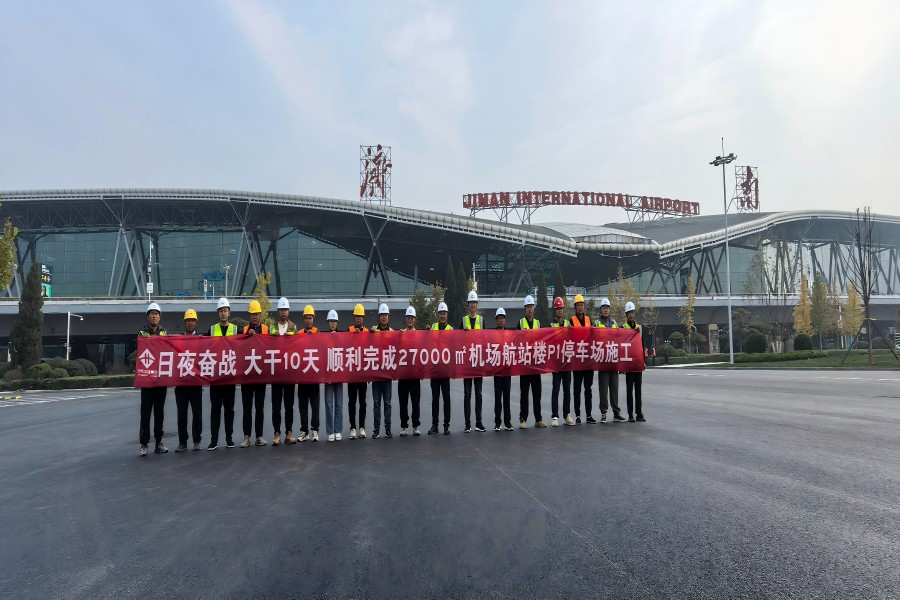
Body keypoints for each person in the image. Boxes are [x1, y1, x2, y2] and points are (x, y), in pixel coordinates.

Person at [138, 302, 168, 456]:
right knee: (145, 413)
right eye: (152, 313)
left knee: (159, 413)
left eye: (156, 314)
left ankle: (158, 442)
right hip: (147, 379)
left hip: (161, 380)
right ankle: (144, 444)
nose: (154, 316)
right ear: (147, 316)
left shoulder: (164, 332)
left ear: (160, 317)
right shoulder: (142, 333)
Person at [208, 297, 238, 450]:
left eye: (225, 310)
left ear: (229, 313)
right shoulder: (212, 330)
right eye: (221, 311)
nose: (223, 313)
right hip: (216, 377)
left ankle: (229, 438)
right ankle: (213, 440)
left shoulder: (235, 329)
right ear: (217, 313)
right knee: (215, 409)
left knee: (229, 409)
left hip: (229, 376)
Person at [240, 300, 269, 448]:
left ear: (260, 314)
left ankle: (259, 436)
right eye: (252, 314)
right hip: (247, 375)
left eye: (256, 314)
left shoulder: (266, 329)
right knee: (247, 409)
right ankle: (246, 437)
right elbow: (239, 347)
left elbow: (271, 347)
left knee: (259, 408)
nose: (254, 316)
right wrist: (247, 334)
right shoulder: (244, 330)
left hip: (260, 375)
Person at [174, 309, 203, 452]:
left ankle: (197, 440)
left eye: (192, 321)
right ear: (184, 323)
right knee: (182, 415)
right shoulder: (178, 341)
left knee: (197, 414)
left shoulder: (202, 340)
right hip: (181, 384)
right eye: (188, 321)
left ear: (196, 323)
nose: (190, 323)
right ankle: (182, 442)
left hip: (195, 384)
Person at [269, 297, 297, 445]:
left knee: (289, 405)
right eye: (281, 310)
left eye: (285, 310)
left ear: (288, 311)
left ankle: (289, 431)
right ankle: (277, 433)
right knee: (276, 406)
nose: (283, 312)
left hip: (289, 372)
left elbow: (299, 345)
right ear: (278, 311)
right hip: (276, 372)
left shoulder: (293, 327)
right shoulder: (272, 327)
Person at [517, 295, 547, 429]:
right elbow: (516, 342)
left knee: (537, 393)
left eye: (531, 306)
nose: (530, 309)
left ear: (534, 308)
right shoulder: (520, 323)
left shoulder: (538, 324)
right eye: (528, 307)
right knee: (524, 394)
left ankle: (538, 419)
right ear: (525, 308)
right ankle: (523, 419)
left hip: (535, 364)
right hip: (524, 364)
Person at [596, 297, 625, 424]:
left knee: (614, 389)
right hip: (603, 361)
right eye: (603, 308)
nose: (605, 310)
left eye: (607, 308)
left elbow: (620, 339)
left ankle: (616, 413)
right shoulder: (596, 324)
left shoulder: (614, 324)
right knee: (603, 389)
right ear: (601, 310)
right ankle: (603, 413)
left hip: (613, 361)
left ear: (610, 310)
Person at [461, 290, 485, 433]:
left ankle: (479, 422)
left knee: (479, 394)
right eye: (470, 303)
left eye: (474, 302)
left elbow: (485, 339)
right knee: (467, 395)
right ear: (468, 304)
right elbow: (458, 341)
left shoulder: (481, 320)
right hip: (467, 363)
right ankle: (467, 424)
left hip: (478, 362)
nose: (472, 305)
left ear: (477, 304)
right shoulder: (463, 320)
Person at [569, 293, 593, 425]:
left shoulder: (589, 320)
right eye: (578, 305)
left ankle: (589, 415)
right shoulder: (572, 321)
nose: (580, 307)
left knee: (588, 389)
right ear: (575, 307)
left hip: (588, 360)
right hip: (577, 360)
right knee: (577, 390)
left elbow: (594, 336)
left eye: (582, 305)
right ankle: (578, 415)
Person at [370, 303, 394, 438]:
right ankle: (376, 429)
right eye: (382, 315)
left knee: (387, 404)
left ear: (388, 317)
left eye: (385, 315)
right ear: (379, 317)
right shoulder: (373, 331)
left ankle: (388, 429)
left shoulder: (392, 332)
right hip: (376, 374)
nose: (384, 317)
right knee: (376, 404)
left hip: (387, 375)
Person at [297, 305, 321, 442]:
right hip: (302, 377)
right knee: (303, 407)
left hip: (314, 377)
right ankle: (304, 431)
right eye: (306, 318)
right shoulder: (299, 333)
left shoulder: (318, 333)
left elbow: (323, 350)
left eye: (310, 318)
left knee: (315, 406)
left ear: (313, 319)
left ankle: (315, 430)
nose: (308, 320)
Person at [429, 302, 453, 435]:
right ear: (438, 315)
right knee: (435, 399)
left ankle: (446, 425)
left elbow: (454, 347)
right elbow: (427, 342)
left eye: (444, 313)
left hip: (445, 369)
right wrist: (426, 332)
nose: (442, 315)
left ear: (447, 315)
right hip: (435, 369)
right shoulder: (433, 327)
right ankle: (435, 425)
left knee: (446, 399)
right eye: (440, 313)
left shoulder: (450, 329)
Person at [398, 306, 421, 437]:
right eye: (408, 318)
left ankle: (416, 425)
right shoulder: (401, 334)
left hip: (415, 374)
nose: (410, 320)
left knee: (415, 402)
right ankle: (404, 426)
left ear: (415, 320)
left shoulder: (419, 335)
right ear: (406, 319)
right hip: (403, 374)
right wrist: (399, 336)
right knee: (403, 402)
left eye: (412, 318)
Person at [347, 303, 369, 440]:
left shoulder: (367, 332)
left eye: (361, 316)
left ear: (363, 318)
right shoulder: (348, 330)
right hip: (352, 373)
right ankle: (353, 427)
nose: (359, 318)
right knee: (352, 401)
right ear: (354, 317)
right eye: (357, 316)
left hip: (362, 373)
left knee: (362, 401)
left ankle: (362, 427)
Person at [549, 296, 571, 428]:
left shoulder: (568, 324)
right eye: (557, 308)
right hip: (556, 363)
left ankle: (567, 415)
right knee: (556, 390)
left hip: (566, 362)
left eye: (561, 308)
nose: (559, 311)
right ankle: (555, 416)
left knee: (567, 391)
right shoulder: (551, 325)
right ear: (554, 310)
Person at [623, 301, 646, 422]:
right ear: (626, 315)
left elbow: (642, 345)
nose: (631, 314)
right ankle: (630, 414)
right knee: (629, 390)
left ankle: (639, 413)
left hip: (637, 363)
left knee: (638, 390)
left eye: (632, 312)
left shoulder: (639, 328)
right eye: (629, 313)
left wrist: (643, 361)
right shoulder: (623, 328)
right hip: (628, 363)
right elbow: (621, 347)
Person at [323, 310, 344, 441]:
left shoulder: (342, 336)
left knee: (339, 404)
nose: (332, 324)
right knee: (329, 403)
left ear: (337, 323)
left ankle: (338, 430)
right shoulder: (323, 337)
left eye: (334, 321)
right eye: (331, 321)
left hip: (339, 373)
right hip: (328, 375)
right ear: (328, 323)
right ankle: (330, 431)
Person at [493, 307, 513, 431]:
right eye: (499, 318)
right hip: (497, 371)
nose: (500, 320)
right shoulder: (492, 334)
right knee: (497, 397)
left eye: (502, 318)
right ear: (496, 320)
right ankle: (497, 422)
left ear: (505, 320)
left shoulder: (510, 333)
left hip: (507, 369)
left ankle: (507, 422)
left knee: (506, 397)